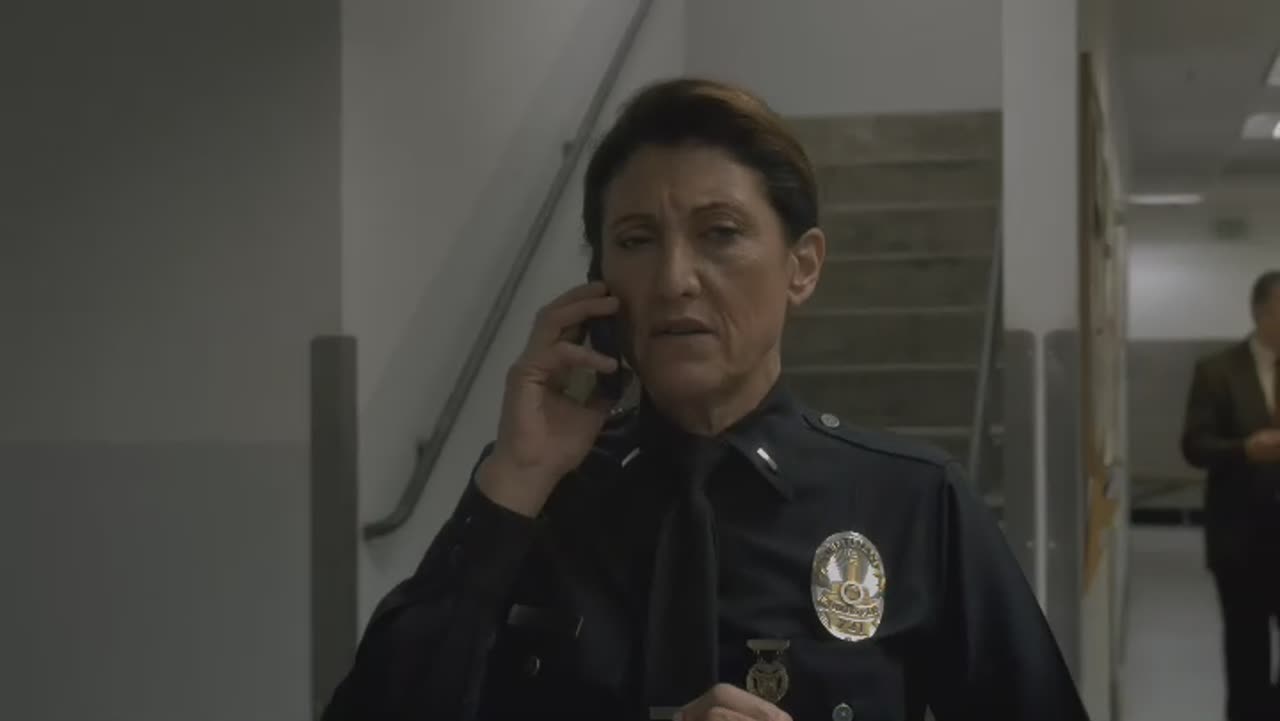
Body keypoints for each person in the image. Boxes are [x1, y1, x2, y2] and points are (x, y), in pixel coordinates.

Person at [323, 78, 1086, 721]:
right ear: (598, 283)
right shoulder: (541, 496)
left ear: (802, 267)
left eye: (719, 233)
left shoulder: (912, 502)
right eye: (636, 240)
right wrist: (515, 479)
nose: (674, 279)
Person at [1181, 270, 1280, 721]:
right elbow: (1194, 446)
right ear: (1259, 312)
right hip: (1241, 540)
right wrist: (1244, 449)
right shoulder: (1217, 371)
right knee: (1246, 653)